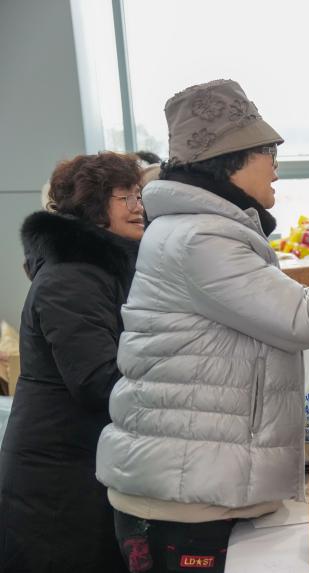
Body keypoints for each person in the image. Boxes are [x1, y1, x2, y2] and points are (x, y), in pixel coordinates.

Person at [94, 79, 309, 573]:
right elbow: (302, 319)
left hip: (198, 481)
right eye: (267, 151)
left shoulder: (202, 228)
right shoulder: (200, 236)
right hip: (185, 498)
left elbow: (284, 312)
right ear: (230, 158)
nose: (277, 166)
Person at [0, 152, 144, 572]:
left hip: (81, 461)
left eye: (139, 195)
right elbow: (97, 380)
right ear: (94, 206)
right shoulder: (71, 277)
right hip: (55, 478)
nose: (139, 207)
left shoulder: (98, 269)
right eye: (126, 197)